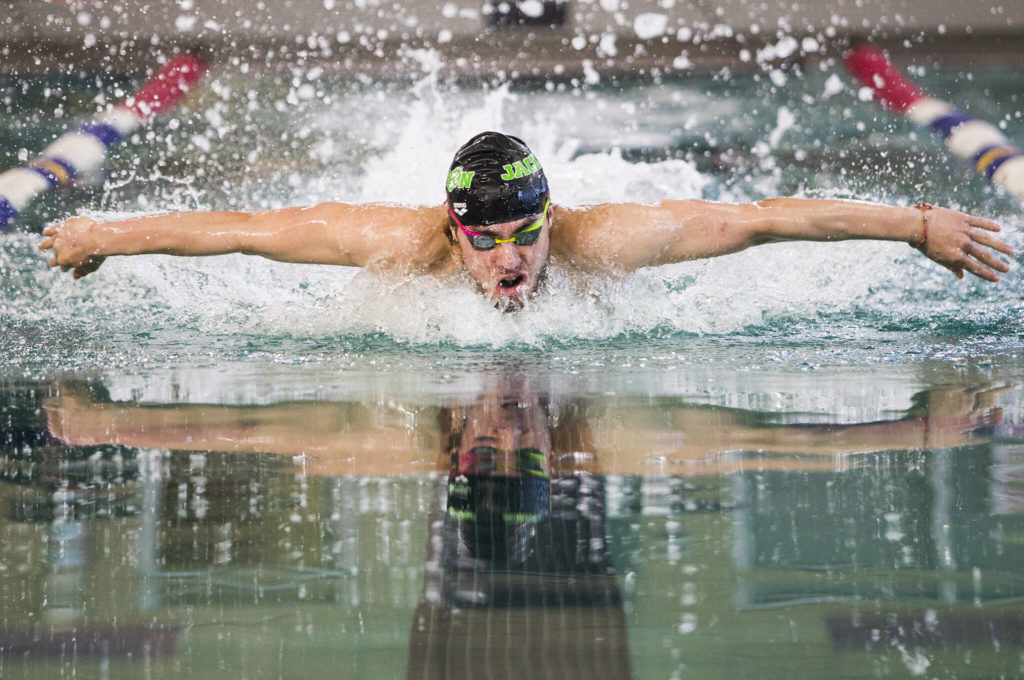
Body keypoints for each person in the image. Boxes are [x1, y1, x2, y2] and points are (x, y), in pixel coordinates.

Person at [39, 131, 1013, 311]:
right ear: (453, 233)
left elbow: (760, 221)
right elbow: (242, 229)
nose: (511, 262)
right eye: (487, 240)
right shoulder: (391, 240)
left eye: (526, 235)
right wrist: (102, 234)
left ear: (552, 217)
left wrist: (912, 222)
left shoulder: (609, 238)